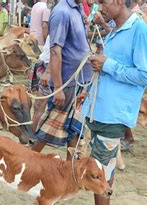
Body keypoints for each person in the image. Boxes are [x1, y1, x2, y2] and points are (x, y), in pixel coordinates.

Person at [69, 0, 147, 205]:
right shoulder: (116, 29)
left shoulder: (140, 31)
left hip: (113, 114)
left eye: (103, 2)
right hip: (101, 108)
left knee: (100, 167)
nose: (100, 8)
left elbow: (146, 75)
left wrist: (109, 65)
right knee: (106, 165)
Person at [31, 0, 92, 160]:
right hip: (67, 82)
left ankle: (69, 169)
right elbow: (55, 50)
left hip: (80, 80)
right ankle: (26, 161)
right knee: (51, 126)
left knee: (74, 129)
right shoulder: (62, 12)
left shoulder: (77, 9)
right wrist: (58, 87)